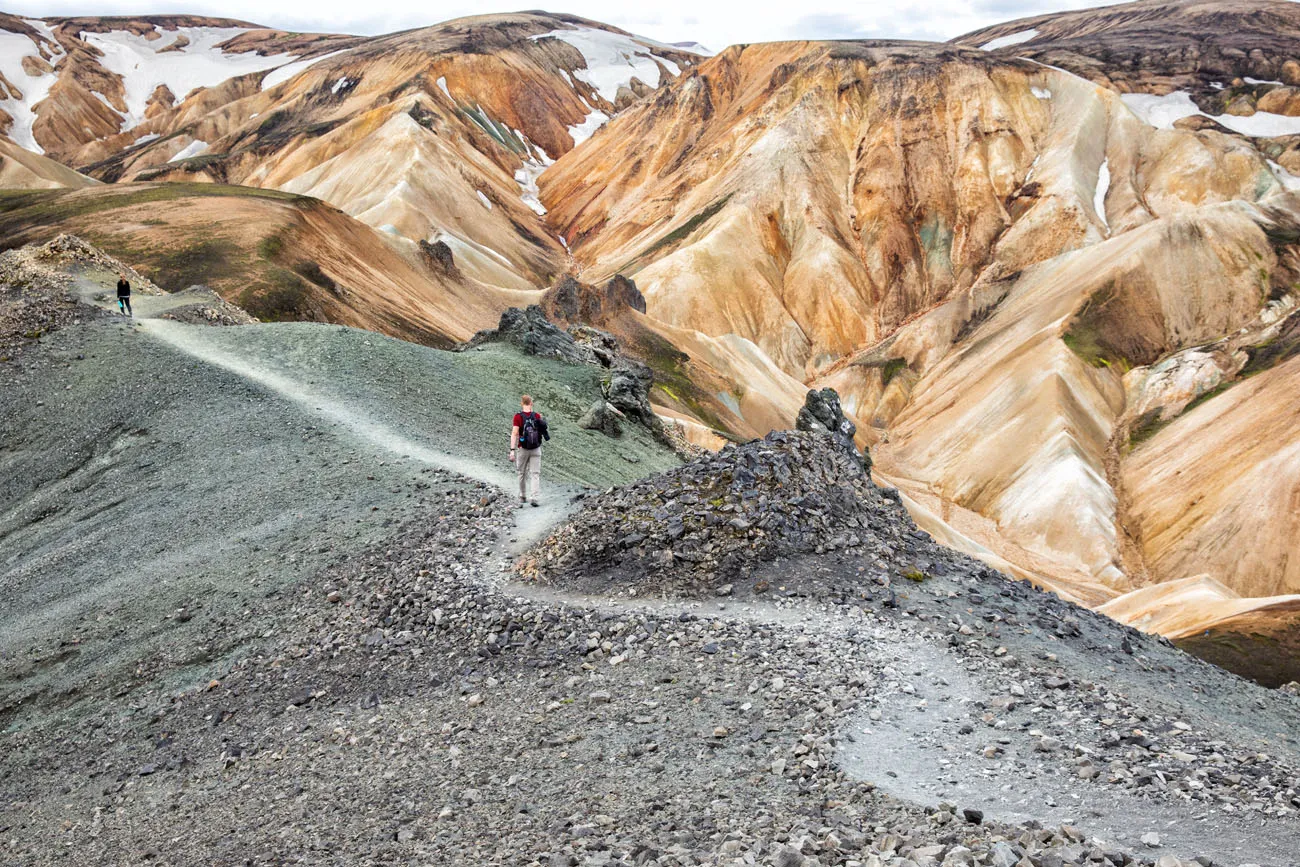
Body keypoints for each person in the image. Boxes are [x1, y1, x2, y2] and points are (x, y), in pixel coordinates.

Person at [510, 394, 549, 507]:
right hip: (536, 449)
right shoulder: (537, 416)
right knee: (535, 474)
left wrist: (512, 450)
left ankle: (523, 496)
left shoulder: (518, 417)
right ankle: (534, 498)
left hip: (523, 448)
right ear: (531, 403)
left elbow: (514, 433)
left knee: (521, 473)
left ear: (522, 403)